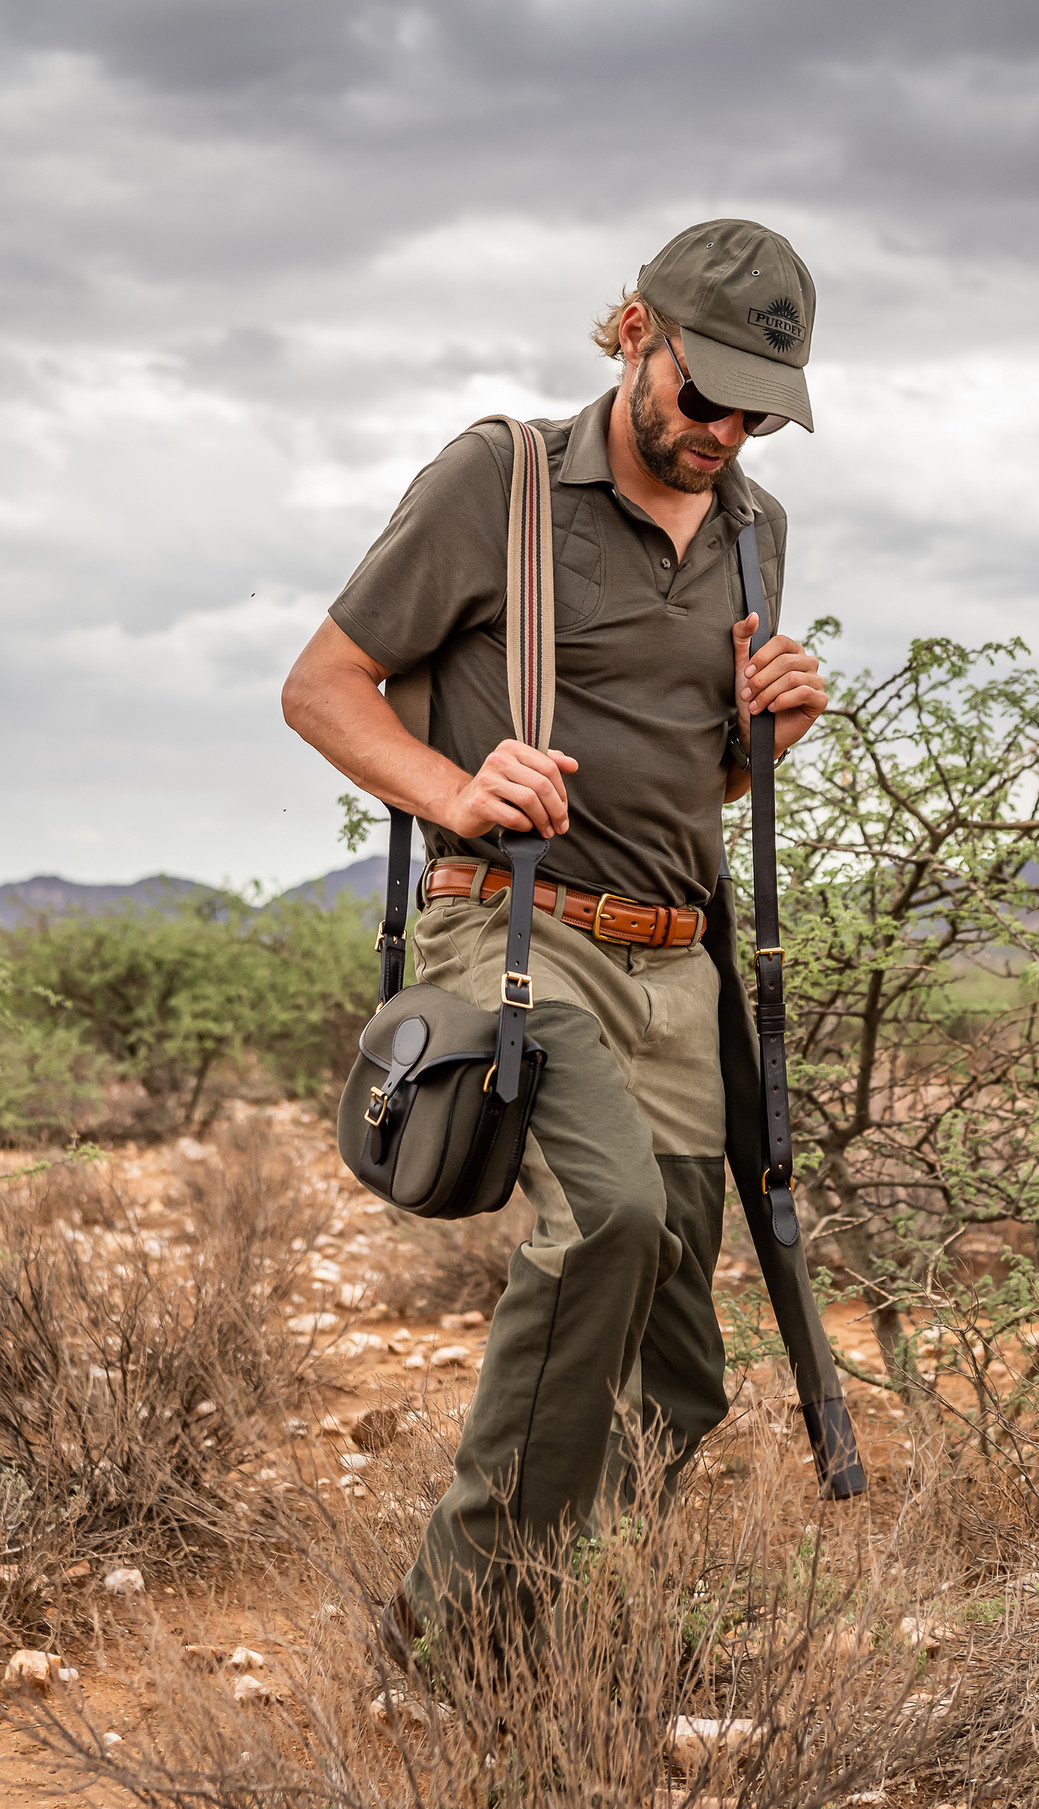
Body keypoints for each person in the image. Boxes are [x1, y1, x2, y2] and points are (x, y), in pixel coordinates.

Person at [281, 217, 828, 1659]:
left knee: (681, 1366)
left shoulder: (758, 532)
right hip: (518, 935)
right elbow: (325, 687)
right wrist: (459, 786)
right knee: (608, 1219)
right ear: (637, 329)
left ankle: (565, 1627)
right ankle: (456, 1626)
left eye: (759, 408)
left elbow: (690, 771)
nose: (725, 428)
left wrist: (764, 740)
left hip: (676, 961)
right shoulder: (500, 482)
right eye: (705, 391)